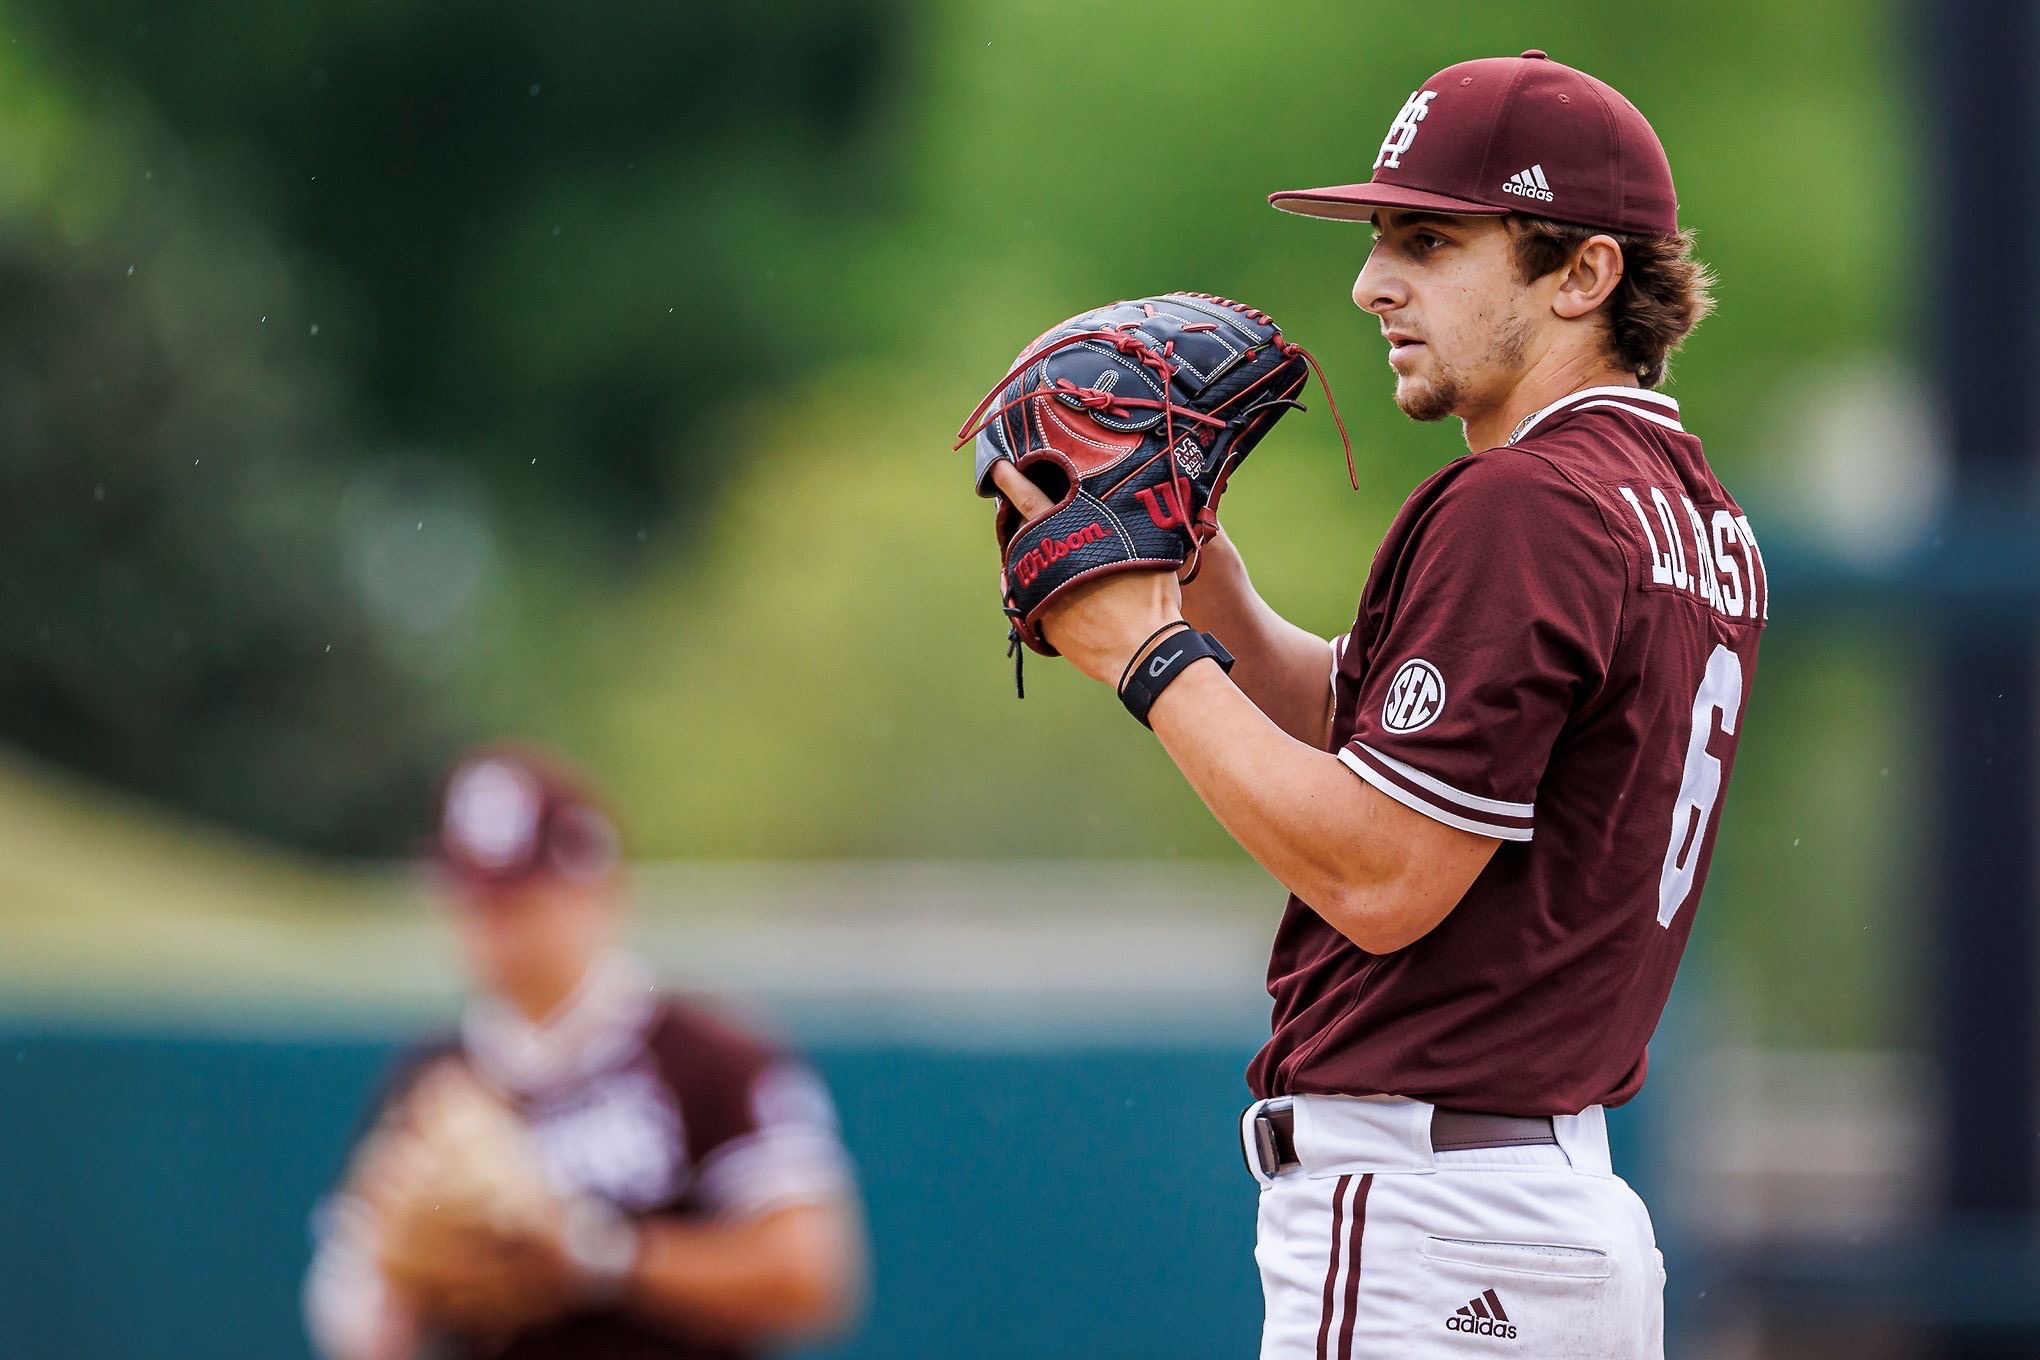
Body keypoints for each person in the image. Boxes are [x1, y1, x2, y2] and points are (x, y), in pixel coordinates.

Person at [985, 49, 1760, 1358]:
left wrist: (1147, 655)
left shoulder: (1524, 504)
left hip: (1435, 1218)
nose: (1370, 283)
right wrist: (1208, 585)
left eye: (1430, 239)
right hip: (1541, 1207)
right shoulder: (1682, 505)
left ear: (1582, 272)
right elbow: (1370, 734)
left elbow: (1386, 873)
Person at [303, 745, 864, 1360]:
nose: (492, 929)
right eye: (473, 900)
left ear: (596, 888)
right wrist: (398, 1281)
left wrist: (598, 1257)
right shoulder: (427, 1079)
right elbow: (350, 1315)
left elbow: (810, 1277)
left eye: (518, 899)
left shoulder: (709, 1056)